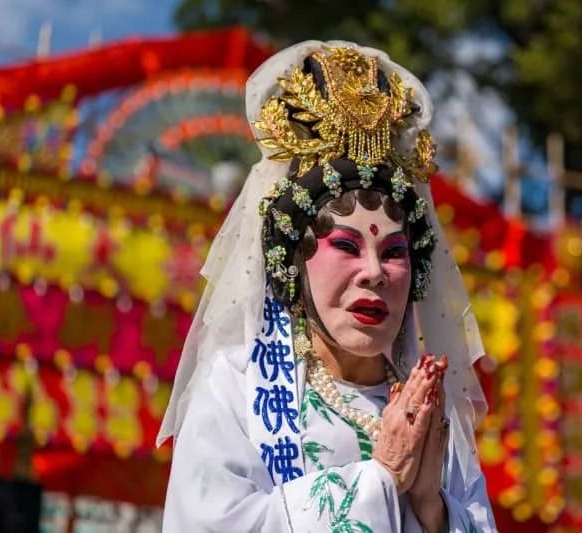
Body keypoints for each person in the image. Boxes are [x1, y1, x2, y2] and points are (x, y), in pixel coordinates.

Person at [158, 40, 497, 532]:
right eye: (346, 246)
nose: (375, 273)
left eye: (395, 252)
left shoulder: (427, 413)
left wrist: (433, 508)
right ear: (296, 261)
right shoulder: (235, 385)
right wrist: (377, 480)